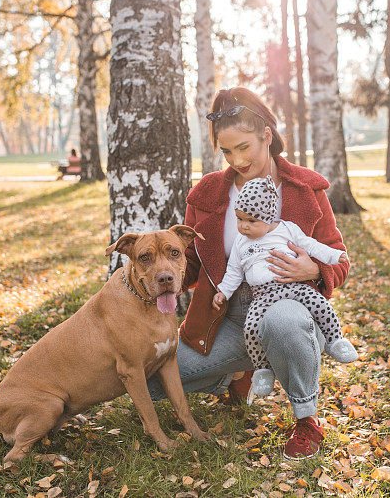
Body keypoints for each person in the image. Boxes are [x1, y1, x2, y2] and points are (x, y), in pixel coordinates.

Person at [146, 86, 351, 460]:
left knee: (284, 323)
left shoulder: (306, 187)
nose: (237, 160)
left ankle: (306, 421)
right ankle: (236, 377)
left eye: (244, 147)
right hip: (222, 318)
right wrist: (159, 268)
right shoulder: (207, 193)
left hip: (291, 308)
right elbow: (191, 266)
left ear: (266, 137)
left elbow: (339, 258)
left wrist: (315, 268)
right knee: (152, 382)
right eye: (227, 151)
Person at [212, 175, 357, 398]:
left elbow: (312, 245)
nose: (243, 227)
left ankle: (335, 340)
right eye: (239, 219)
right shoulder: (241, 243)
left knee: (319, 304)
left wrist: (334, 256)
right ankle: (262, 369)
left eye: (251, 221)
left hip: (293, 287)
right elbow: (233, 273)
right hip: (262, 295)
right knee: (251, 328)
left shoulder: (287, 230)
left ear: (269, 219)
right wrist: (223, 291)